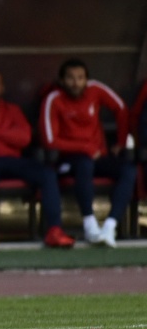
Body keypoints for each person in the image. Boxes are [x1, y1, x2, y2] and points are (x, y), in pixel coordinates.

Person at [0, 68, 74, 250]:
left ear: (2, 88)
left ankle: (54, 231)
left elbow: (24, 138)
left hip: (13, 160)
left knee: (47, 173)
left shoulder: (12, 110)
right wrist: (7, 138)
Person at [39, 59, 135, 248]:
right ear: (62, 80)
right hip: (68, 159)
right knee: (84, 163)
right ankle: (89, 224)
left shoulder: (95, 90)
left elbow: (121, 108)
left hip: (98, 155)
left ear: (87, 80)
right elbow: (50, 141)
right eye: (70, 78)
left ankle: (110, 226)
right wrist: (85, 148)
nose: (76, 83)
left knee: (128, 169)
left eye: (80, 78)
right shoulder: (54, 100)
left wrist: (121, 142)